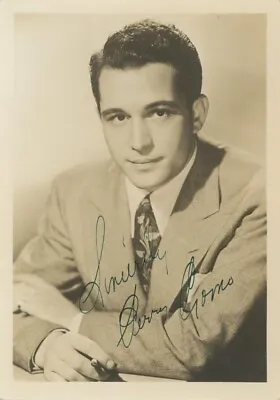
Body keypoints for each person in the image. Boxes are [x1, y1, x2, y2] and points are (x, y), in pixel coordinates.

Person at [13, 19, 266, 382]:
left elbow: (192, 347)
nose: (138, 142)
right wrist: (45, 342)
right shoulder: (76, 192)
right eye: (117, 117)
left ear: (197, 115)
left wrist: (71, 321)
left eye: (159, 112)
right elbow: (20, 292)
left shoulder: (259, 196)